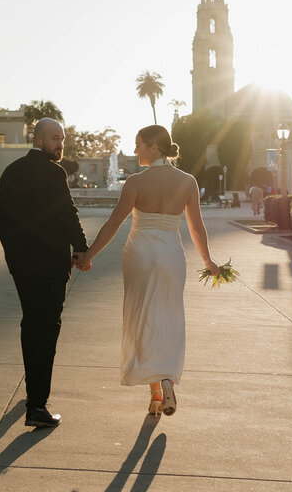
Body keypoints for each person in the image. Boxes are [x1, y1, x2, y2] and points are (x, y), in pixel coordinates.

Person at [78, 124, 219, 418]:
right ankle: (166, 381)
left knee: (143, 318)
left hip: (140, 254)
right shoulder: (188, 181)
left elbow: (114, 223)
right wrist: (208, 261)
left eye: (138, 145)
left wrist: (89, 255)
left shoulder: (136, 182)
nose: (135, 150)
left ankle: (156, 394)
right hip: (170, 254)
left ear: (154, 148)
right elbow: (196, 226)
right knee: (168, 317)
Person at [0, 118, 88, 428]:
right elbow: (67, 211)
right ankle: (37, 405)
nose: (59, 144)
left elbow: (2, 220)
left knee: (31, 324)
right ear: (37, 138)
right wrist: (81, 248)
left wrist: (13, 257)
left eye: (62, 137)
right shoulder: (54, 172)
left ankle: (33, 392)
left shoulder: (11, 171)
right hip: (49, 267)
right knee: (47, 331)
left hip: (22, 267)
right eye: (53, 138)